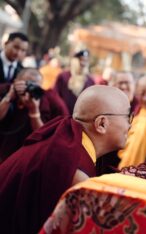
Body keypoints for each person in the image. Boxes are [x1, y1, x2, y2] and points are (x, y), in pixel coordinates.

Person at [0, 85, 132, 234]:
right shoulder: (73, 172)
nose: (130, 125)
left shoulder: (71, 142)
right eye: (128, 117)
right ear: (101, 124)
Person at [0, 68, 68, 162]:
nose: (29, 88)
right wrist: (9, 97)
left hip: (29, 158)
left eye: (35, 85)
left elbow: (43, 137)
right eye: (26, 83)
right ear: (16, 82)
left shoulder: (48, 99)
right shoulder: (5, 90)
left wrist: (34, 111)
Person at [54, 50, 95, 114]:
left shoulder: (90, 81)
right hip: (60, 115)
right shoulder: (63, 76)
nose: (83, 64)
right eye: (81, 60)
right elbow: (55, 95)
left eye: (86, 61)